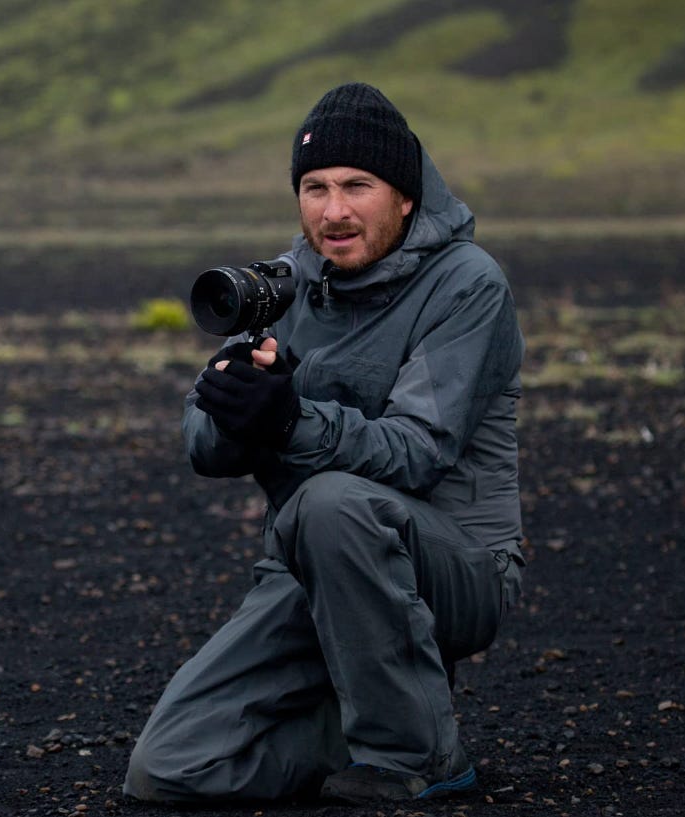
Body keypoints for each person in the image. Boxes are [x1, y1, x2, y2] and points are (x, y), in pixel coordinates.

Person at [123, 81, 526, 804]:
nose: (332, 211)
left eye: (355, 185)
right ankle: (370, 706)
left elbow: (418, 451)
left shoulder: (468, 285)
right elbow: (202, 449)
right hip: (312, 567)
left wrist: (287, 421)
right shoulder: (285, 285)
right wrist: (233, 411)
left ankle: (419, 754)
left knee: (331, 501)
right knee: (168, 770)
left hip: (454, 566)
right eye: (313, 187)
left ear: (405, 195)